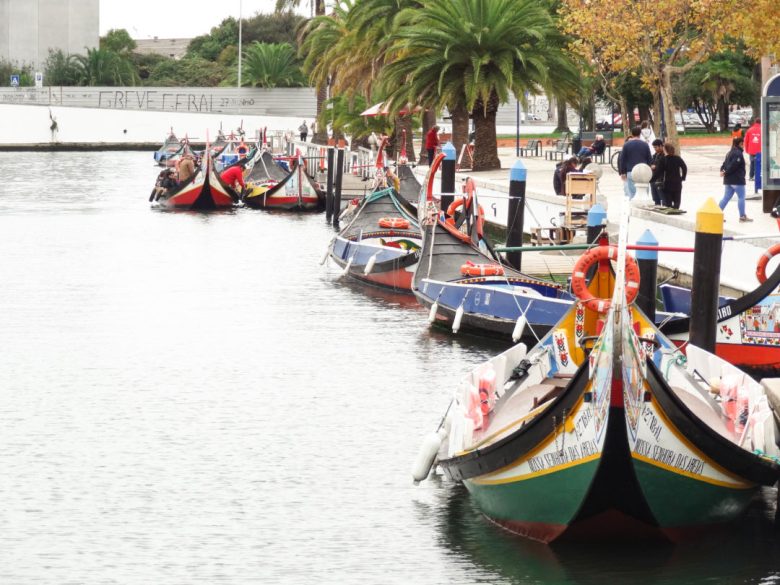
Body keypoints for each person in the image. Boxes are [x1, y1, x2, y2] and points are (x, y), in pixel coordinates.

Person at [718, 136, 752, 222]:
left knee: (726, 198)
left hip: (728, 180)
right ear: (740, 143)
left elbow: (724, 164)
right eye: (743, 143)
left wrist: (722, 171)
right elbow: (734, 165)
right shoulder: (738, 153)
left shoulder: (729, 152)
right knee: (741, 197)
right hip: (737, 180)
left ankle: (716, 215)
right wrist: (726, 172)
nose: (744, 145)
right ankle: (742, 216)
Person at [618, 126, 652, 199]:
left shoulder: (626, 145)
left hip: (631, 171)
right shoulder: (645, 144)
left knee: (632, 194)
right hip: (643, 171)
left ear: (632, 134)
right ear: (640, 134)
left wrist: (623, 172)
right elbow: (649, 159)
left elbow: (623, 159)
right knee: (644, 193)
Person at [658, 142, 687, 209]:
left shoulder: (663, 159)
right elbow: (684, 167)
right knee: (677, 200)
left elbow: (659, 171)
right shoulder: (678, 158)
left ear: (665, 150)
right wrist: (683, 177)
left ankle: (670, 210)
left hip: (668, 183)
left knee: (668, 202)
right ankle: (676, 209)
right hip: (677, 182)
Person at [649, 138, 666, 206]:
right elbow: (651, 163)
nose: (655, 149)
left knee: (663, 198)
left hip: (661, 180)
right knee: (655, 198)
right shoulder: (655, 155)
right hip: (654, 179)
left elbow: (664, 166)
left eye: (656, 147)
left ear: (661, 146)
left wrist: (656, 167)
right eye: (654, 147)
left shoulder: (664, 155)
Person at [744, 117, 761, 181]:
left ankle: (751, 176)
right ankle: (758, 177)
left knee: (752, 163)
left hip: (751, 150)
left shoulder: (750, 130)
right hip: (760, 150)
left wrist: (746, 150)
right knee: (759, 163)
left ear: (755, 122)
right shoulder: (763, 129)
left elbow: (746, 141)